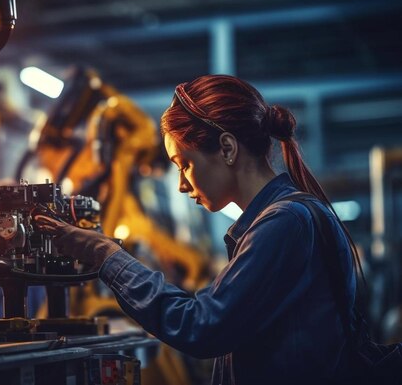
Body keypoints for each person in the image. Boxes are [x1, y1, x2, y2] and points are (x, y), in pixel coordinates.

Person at [34, 75, 361, 385]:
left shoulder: (285, 223)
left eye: (185, 164)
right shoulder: (285, 218)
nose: (180, 184)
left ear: (228, 148)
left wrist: (105, 255)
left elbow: (201, 326)